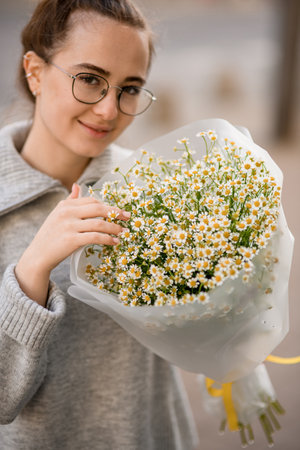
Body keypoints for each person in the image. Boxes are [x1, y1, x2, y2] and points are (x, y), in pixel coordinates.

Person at [0, 0, 198, 448]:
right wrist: (31, 271)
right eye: (90, 79)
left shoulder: (157, 185)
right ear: (34, 71)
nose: (109, 111)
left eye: (130, 88)